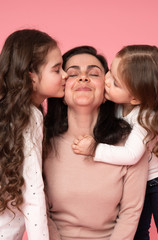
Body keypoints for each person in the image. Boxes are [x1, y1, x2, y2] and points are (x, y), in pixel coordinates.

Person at [44, 46, 148, 240]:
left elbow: (130, 213)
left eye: (94, 73)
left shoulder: (131, 142)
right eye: (73, 74)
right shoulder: (41, 141)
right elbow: (40, 212)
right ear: (61, 91)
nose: (83, 78)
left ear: (107, 90)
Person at [72, 45, 158, 240]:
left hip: (155, 181)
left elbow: (131, 155)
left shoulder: (143, 118)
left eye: (116, 84)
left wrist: (94, 149)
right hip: (139, 182)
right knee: (137, 231)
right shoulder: (119, 105)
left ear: (136, 98)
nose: (107, 81)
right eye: (110, 70)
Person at [0, 29, 67, 240]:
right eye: (56, 69)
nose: (65, 75)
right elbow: (33, 192)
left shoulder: (9, 112)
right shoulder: (30, 117)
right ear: (32, 77)